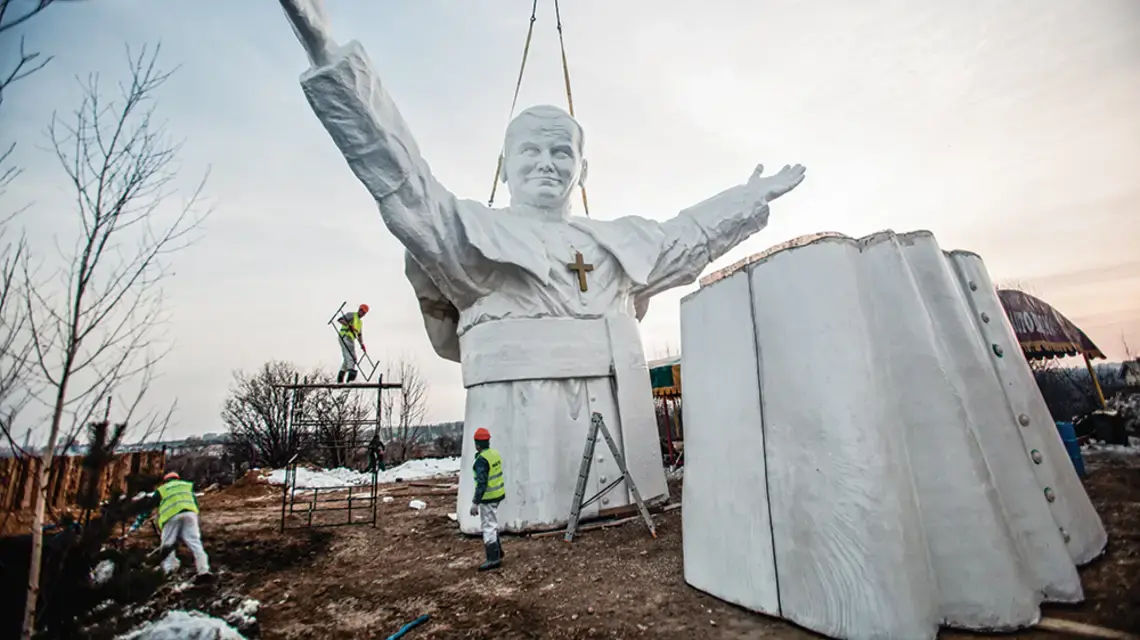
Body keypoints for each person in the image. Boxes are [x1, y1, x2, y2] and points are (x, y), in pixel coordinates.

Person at [276, 0, 806, 535]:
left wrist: (746, 201)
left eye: (561, 151)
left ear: (582, 169)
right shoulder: (472, 239)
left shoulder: (614, 245)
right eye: (530, 150)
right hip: (519, 441)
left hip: (618, 465)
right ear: (504, 167)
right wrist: (331, 59)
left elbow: (687, 236)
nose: (547, 163)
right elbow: (401, 180)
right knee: (520, 494)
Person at [146, 472, 212, 581]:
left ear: (165, 481)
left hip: (171, 516)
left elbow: (148, 507)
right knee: (195, 542)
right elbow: (195, 502)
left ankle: (169, 570)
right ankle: (203, 569)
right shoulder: (186, 486)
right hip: (190, 514)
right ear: (177, 479)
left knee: (167, 544)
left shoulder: (162, 489)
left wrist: (137, 523)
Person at [468, 427, 505, 571]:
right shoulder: (494, 454)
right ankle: (498, 551)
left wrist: (475, 502)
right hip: (497, 494)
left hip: (488, 497)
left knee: (488, 526)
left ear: (477, 444)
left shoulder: (481, 460)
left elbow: (482, 483)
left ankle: (493, 558)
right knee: (492, 523)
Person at [336, 303, 369, 383]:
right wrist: (348, 325)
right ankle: (351, 371)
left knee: (347, 358)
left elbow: (359, 334)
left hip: (350, 339)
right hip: (345, 336)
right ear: (359, 310)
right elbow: (340, 320)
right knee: (351, 356)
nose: (363, 314)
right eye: (362, 311)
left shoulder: (360, 322)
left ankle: (341, 376)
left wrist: (362, 344)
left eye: (364, 313)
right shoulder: (352, 315)